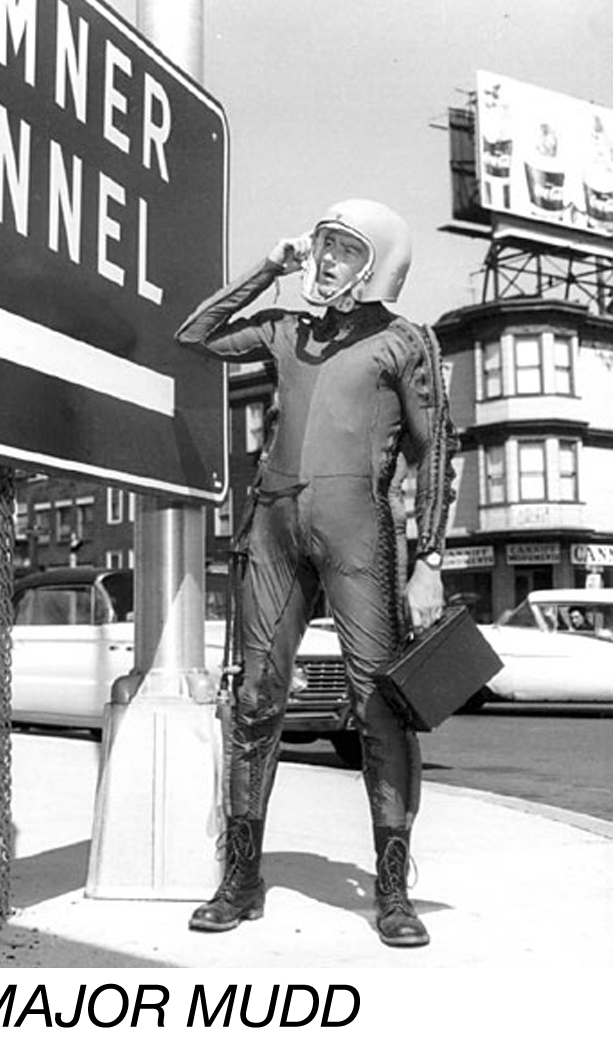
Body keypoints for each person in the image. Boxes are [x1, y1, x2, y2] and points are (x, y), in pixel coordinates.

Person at [175, 199, 458, 948]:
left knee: (378, 707)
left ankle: (392, 891)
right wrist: (269, 267)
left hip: (362, 536)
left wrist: (430, 558)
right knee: (255, 699)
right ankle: (240, 879)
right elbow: (197, 335)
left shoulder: (405, 341)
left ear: (377, 265)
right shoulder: (285, 330)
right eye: (323, 245)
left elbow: (436, 448)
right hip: (272, 533)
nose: (326, 260)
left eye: (344, 249)